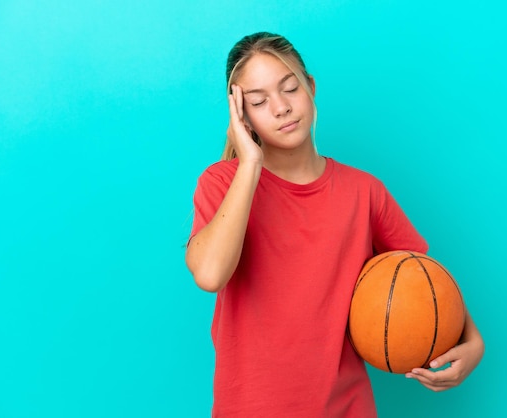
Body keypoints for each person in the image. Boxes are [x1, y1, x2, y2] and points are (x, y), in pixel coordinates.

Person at [186, 31, 484, 418]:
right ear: (240, 115)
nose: (280, 108)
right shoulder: (223, 183)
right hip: (251, 408)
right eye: (259, 101)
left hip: (346, 407)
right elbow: (210, 274)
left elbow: (423, 278)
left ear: (310, 87)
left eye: (289, 88)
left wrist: (472, 342)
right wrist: (250, 164)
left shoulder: (364, 191)